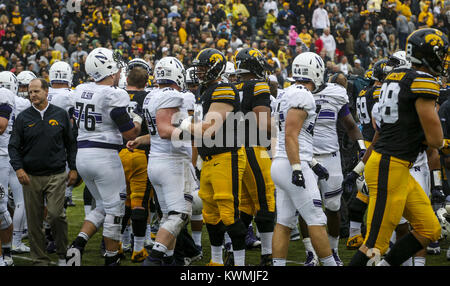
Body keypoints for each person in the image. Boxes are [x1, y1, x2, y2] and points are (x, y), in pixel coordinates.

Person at [349, 28, 448, 266]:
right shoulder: (422, 81)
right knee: (374, 245)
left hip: (397, 165)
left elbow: (381, 123)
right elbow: (435, 140)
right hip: (389, 165)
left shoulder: (396, 76)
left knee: (429, 229)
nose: (443, 59)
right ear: (428, 54)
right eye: (440, 53)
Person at [66, 47, 141, 266]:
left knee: (101, 206)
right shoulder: (114, 94)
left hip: (83, 155)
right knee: (116, 209)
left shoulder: (80, 89)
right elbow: (129, 133)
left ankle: (77, 245)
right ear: (108, 67)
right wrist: (136, 120)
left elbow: (73, 118)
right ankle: (111, 257)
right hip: (104, 156)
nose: (119, 70)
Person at [178, 48, 248, 266]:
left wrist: (182, 123)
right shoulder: (206, 90)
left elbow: (209, 129)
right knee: (210, 215)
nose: (199, 71)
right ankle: (217, 261)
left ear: (215, 67)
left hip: (227, 155)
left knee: (229, 214)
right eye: (198, 67)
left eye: (203, 67)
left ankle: (238, 264)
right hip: (209, 159)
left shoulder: (223, 90)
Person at [270, 52, 336, 266]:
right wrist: (298, 168)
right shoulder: (303, 95)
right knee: (317, 218)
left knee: (284, 222)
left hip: (282, 163)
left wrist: (313, 164)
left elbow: (289, 135)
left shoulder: (285, 93)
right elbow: (291, 134)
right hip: (291, 165)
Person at [128, 56, 193, 266]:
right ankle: (154, 258)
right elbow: (166, 131)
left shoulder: (150, 96)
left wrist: (140, 139)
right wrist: (197, 132)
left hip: (155, 161)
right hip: (171, 163)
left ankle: (168, 259)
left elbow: (157, 133)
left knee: (167, 216)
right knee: (180, 214)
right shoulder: (173, 95)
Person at [8, 78, 77, 266]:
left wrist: (73, 168)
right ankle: (39, 259)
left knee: (56, 215)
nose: (32, 95)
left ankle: (63, 255)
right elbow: (13, 146)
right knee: (34, 222)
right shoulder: (23, 118)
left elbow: (71, 143)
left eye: (36, 91)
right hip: (30, 176)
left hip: (56, 174)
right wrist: (19, 168)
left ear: (46, 92)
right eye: (30, 92)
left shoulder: (60, 114)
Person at [233, 48, 275, 266]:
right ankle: (267, 255)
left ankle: (234, 254)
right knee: (266, 200)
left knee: (246, 206)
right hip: (254, 147)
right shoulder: (258, 85)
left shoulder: (231, 86)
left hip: (235, 148)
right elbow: (262, 122)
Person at [118, 59, 152, 263]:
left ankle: (121, 243)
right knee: (140, 202)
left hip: (119, 153)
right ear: (146, 81)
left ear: (127, 79)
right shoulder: (149, 97)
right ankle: (138, 249)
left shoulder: (116, 95)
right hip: (141, 152)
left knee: (122, 203)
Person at [47, 61, 76, 208]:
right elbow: (73, 122)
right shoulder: (70, 95)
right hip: (61, 143)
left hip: (38, 142)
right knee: (60, 186)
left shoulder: (43, 91)